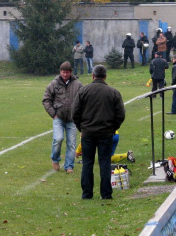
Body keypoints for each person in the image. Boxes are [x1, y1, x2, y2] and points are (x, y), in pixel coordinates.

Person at [72, 65, 126, 199]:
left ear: (93, 76)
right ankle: (106, 194)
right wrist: (113, 128)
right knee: (105, 163)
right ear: (105, 76)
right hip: (105, 133)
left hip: (88, 133)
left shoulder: (83, 91)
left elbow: (75, 113)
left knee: (87, 163)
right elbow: (121, 114)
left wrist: (82, 128)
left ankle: (87, 194)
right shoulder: (113, 92)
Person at [42, 61, 83, 173]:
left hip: (72, 119)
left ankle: (69, 166)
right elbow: (46, 99)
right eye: (63, 72)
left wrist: (79, 116)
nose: (65, 75)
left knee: (71, 143)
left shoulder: (78, 84)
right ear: (60, 72)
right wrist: (53, 114)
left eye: (67, 72)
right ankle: (55, 159)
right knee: (58, 139)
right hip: (58, 117)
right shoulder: (54, 84)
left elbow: (83, 101)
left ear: (70, 72)